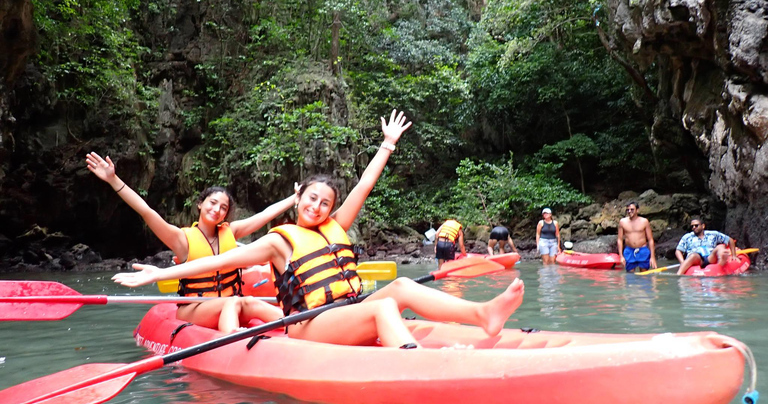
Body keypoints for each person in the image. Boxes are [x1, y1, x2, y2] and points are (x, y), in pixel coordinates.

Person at [113, 110, 525, 349]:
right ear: (299, 199)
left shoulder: (335, 226)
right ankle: (413, 363)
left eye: (325, 202)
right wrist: (159, 274)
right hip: (310, 323)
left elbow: (364, 187)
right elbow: (223, 260)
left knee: (398, 288)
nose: (318, 206)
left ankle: (483, 315)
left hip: (344, 311)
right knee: (383, 306)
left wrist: (387, 145)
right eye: (311, 198)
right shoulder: (278, 242)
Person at [86, 151, 294, 333]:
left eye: (223, 208)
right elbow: (146, 212)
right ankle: (232, 335)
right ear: (200, 205)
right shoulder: (182, 240)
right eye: (212, 203)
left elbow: (266, 214)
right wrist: (113, 180)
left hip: (234, 303)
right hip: (196, 308)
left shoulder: (231, 231)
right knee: (233, 302)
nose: (217, 210)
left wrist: (295, 198)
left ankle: (297, 325)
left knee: (250, 302)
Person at [617, 201, 657, 272]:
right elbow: (620, 239)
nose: (629, 211)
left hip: (642, 250)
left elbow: (650, 240)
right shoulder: (622, 222)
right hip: (629, 250)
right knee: (630, 276)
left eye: (632, 209)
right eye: (628, 210)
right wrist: (621, 256)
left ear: (637, 210)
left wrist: (652, 257)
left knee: (644, 275)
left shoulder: (644, 221)